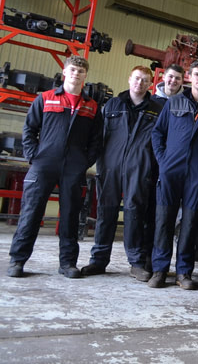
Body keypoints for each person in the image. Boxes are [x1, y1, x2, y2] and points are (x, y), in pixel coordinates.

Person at [7, 56, 103, 279]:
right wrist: (34, 157)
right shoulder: (46, 98)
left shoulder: (91, 106)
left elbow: (97, 139)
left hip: (73, 167)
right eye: (72, 70)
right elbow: (29, 130)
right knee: (31, 213)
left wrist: (83, 162)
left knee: (70, 216)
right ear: (64, 72)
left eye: (80, 71)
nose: (76, 74)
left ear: (85, 75)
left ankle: (68, 263)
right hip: (44, 164)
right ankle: (17, 260)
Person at [149, 61, 198, 289]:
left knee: (190, 223)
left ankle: (184, 272)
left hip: (197, 174)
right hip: (170, 171)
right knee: (164, 221)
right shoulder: (173, 103)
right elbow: (157, 133)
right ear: (189, 77)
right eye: (197, 75)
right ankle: (160, 270)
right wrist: (163, 162)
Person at [81, 66, 162, 282]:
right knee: (106, 212)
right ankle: (98, 260)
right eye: (137, 78)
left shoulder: (156, 110)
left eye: (145, 80)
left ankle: (136, 263)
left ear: (150, 84)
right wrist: (97, 161)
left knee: (135, 213)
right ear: (129, 79)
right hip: (110, 166)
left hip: (140, 168)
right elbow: (98, 135)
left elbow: (160, 141)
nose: (140, 83)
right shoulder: (112, 105)